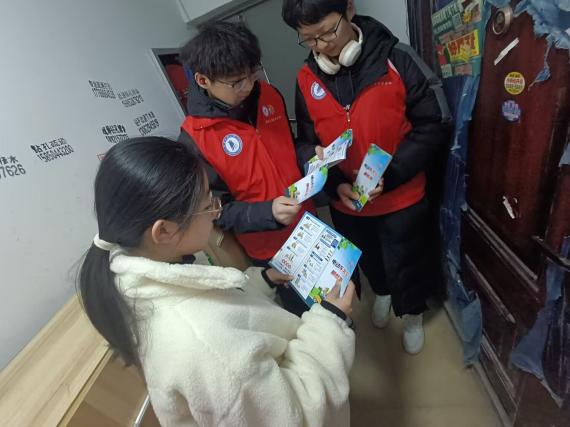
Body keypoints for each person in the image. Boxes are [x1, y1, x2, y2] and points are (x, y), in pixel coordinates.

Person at [78, 137, 356, 426]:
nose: (215, 212)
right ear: (164, 231)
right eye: (207, 204)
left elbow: (222, 307)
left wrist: (262, 280)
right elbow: (298, 413)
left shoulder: (152, 263)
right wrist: (329, 321)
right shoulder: (207, 348)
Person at [282, 0, 452, 354]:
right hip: (348, 201)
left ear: (349, 9)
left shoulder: (397, 58)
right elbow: (305, 143)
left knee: (409, 260)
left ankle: (413, 315)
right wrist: (334, 184)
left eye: (327, 32)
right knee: (369, 258)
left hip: (402, 197)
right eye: (309, 39)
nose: (321, 46)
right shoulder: (306, 78)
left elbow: (433, 124)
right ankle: (383, 293)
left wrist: (393, 173)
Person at [178, 21, 315, 317]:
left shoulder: (270, 95)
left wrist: (310, 155)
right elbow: (216, 211)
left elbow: (288, 146)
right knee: (304, 313)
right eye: (236, 82)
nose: (248, 86)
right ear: (203, 80)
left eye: (252, 74)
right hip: (269, 246)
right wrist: (268, 213)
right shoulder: (195, 139)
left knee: (337, 295)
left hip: (309, 222)